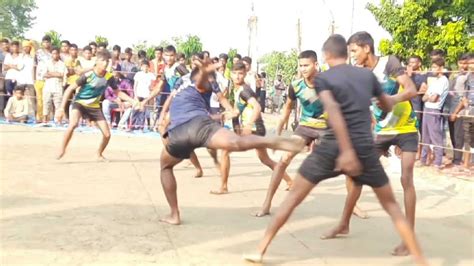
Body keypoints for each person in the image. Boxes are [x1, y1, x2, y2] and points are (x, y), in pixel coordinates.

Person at [243, 34, 427, 266]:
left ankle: (260, 249)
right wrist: (386, 102)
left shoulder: (325, 79)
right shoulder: (366, 75)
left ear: (327, 56)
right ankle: (421, 259)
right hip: (364, 147)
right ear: (344, 52)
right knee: (391, 205)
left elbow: (334, 111)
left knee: (292, 199)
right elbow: (387, 102)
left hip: (332, 147)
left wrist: (347, 152)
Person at [156, 58, 305, 225]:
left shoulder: (186, 88)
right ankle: (270, 141)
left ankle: (174, 214)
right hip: (201, 126)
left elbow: (195, 90)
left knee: (166, 167)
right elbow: (208, 87)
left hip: (180, 131)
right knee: (235, 142)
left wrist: (163, 128)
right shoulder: (197, 85)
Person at [321, 31, 419, 257]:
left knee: (406, 178)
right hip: (381, 132)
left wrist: (392, 100)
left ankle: (409, 237)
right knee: (357, 177)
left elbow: (412, 89)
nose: (352, 55)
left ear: (366, 48)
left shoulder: (389, 62)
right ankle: (344, 223)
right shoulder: (359, 73)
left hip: (406, 128)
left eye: (354, 50)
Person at [254, 50, 327, 216]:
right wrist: (279, 128)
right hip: (305, 127)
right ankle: (267, 204)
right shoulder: (296, 86)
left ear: (316, 64)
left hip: (325, 128)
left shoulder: (328, 83)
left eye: (306, 65)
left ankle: (353, 207)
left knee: (343, 163)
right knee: (283, 159)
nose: (303, 69)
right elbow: (288, 107)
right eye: (301, 66)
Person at [211, 61, 293, 195]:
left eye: (240, 74)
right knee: (265, 159)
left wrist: (248, 125)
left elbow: (257, 107)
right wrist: (223, 115)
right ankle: (290, 181)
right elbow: (237, 111)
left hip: (254, 129)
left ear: (244, 74)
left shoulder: (245, 91)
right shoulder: (238, 90)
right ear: (231, 74)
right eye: (235, 73)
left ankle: (224, 187)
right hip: (255, 129)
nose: (237, 76)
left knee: (225, 151)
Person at [56, 50, 136, 160]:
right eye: (103, 61)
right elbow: (70, 89)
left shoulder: (109, 77)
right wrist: (61, 108)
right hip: (80, 103)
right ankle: (62, 149)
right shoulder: (88, 75)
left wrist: (132, 101)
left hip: (94, 106)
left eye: (107, 61)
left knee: (107, 134)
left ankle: (99, 154)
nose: (105, 63)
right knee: (73, 124)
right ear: (97, 61)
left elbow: (117, 92)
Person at [420, 57, 449, 169]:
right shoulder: (434, 80)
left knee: (436, 137)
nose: (432, 69)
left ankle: (437, 162)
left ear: (441, 68)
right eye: (432, 67)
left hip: (434, 110)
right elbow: (424, 98)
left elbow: (434, 99)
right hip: (426, 109)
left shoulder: (443, 80)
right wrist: (428, 97)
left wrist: (429, 97)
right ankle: (423, 160)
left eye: (435, 67)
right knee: (425, 137)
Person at [447, 53, 470, 169]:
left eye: (466, 63)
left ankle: (457, 160)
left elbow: (465, 97)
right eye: (461, 63)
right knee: (452, 134)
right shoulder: (454, 75)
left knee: (458, 135)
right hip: (450, 107)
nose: (463, 65)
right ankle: (456, 157)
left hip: (460, 109)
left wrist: (456, 112)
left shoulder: (469, 77)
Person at [42, 47, 67, 123]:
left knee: (58, 104)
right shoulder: (47, 63)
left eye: (56, 53)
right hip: (48, 86)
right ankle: (45, 119)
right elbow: (44, 74)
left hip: (58, 86)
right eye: (53, 53)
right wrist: (56, 74)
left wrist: (51, 73)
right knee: (46, 103)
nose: (55, 55)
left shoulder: (62, 64)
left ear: (59, 54)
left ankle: (58, 120)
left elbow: (62, 74)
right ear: (51, 54)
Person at [131, 60, 156, 130]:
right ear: (141, 67)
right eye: (144, 66)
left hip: (146, 96)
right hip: (138, 95)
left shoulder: (151, 75)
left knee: (143, 112)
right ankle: (132, 126)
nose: (145, 68)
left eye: (147, 67)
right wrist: (135, 96)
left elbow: (153, 84)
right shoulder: (138, 74)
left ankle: (141, 127)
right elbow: (135, 86)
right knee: (135, 111)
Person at [34, 35, 53, 122]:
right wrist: (34, 78)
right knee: (39, 99)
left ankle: (47, 118)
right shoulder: (38, 52)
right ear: (42, 43)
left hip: (49, 80)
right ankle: (39, 117)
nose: (46, 43)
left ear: (50, 43)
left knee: (48, 100)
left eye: (47, 42)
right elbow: (34, 66)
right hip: (39, 79)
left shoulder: (53, 54)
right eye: (44, 42)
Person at [17, 40, 36, 117]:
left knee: (32, 98)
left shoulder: (34, 56)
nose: (25, 48)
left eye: (27, 47)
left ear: (30, 47)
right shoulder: (21, 56)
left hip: (30, 80)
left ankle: (35, 114)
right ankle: (20, 113)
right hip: (21, 79)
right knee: (19, 96)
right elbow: (19, 67)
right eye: (24, 47)